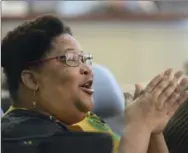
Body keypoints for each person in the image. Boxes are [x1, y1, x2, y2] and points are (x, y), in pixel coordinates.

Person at [1, 15, 188, 153]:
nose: (87, 69)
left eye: (85, 59)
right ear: (32, 80)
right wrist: (139, 126)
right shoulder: (20, 138)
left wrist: (153, 129)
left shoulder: (88, 121)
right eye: (72, 59)